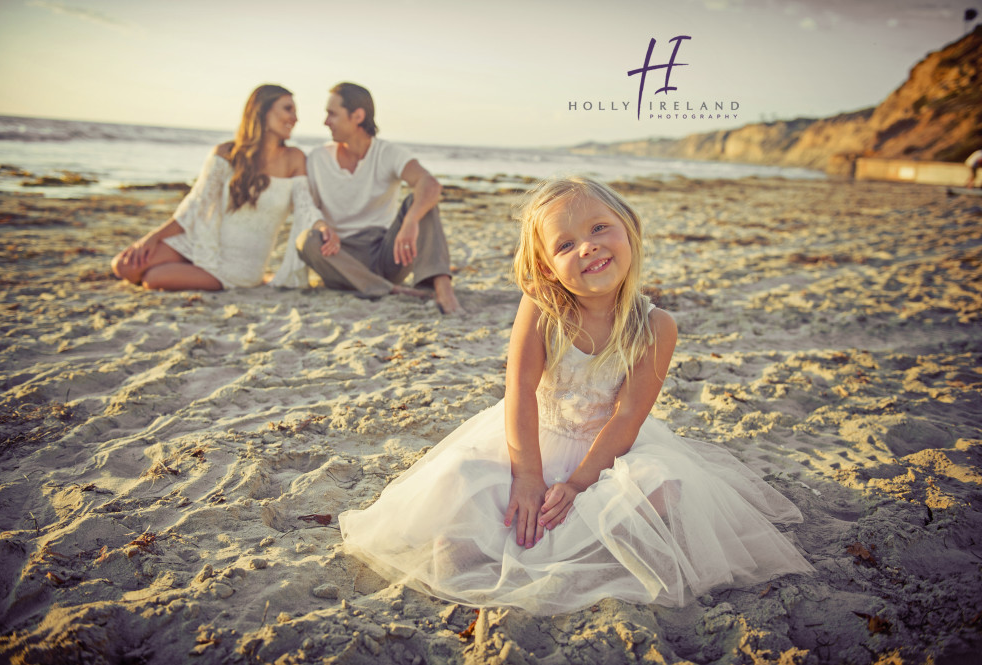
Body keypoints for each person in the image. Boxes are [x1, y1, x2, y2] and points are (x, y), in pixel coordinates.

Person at [339, 176, 814, 614]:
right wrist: (528, 475)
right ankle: (507, 546)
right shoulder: (542, 307)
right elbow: (519, 390)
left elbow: (628, 417)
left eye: (600, 228)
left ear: (628, 229)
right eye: (565, 244)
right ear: (547, 265)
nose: (587, 246)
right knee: (463, 480)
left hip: (606, 453)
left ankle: (586, 553)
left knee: (662, 490)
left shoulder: (655, 326)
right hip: (532, 439)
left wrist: (577, 485)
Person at [111, 84, 334, 290]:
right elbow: (197, 204)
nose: (295, 118)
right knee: (123, 266)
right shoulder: (226, 153)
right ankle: (191, 266)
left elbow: (305, 206)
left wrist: (323, 227)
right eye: (288, 109)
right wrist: (153, 237)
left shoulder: (293, 158)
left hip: (239, 267)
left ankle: (256, 278)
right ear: (262, 112)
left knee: (153, 278)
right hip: (206, 243)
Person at [295, 82, 460, 313]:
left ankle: (443, 289)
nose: (325, 121)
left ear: (358, 116)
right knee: (307, 240)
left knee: (422, 202)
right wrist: (322, 227)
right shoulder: (317, 158)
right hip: (339, 257)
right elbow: (307, 208)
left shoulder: (387, 152)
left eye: (332, 114)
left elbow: (429, 183)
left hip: (386, 254)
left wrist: (411, 221)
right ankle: (389, 289)